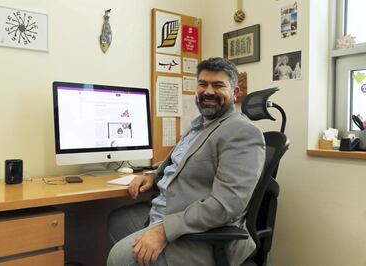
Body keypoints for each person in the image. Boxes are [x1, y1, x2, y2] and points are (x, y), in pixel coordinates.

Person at [107, 57, 266, 266]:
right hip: (164, 210)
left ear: (235, 93)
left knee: (118, 258)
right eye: (203, 84)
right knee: (117, 221)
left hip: (198, 234)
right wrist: (153, 176)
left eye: (218, 85)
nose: (208, 91)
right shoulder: (200, 126)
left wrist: (164, 231)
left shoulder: (242, 132)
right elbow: (182, 164)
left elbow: (225, 204)